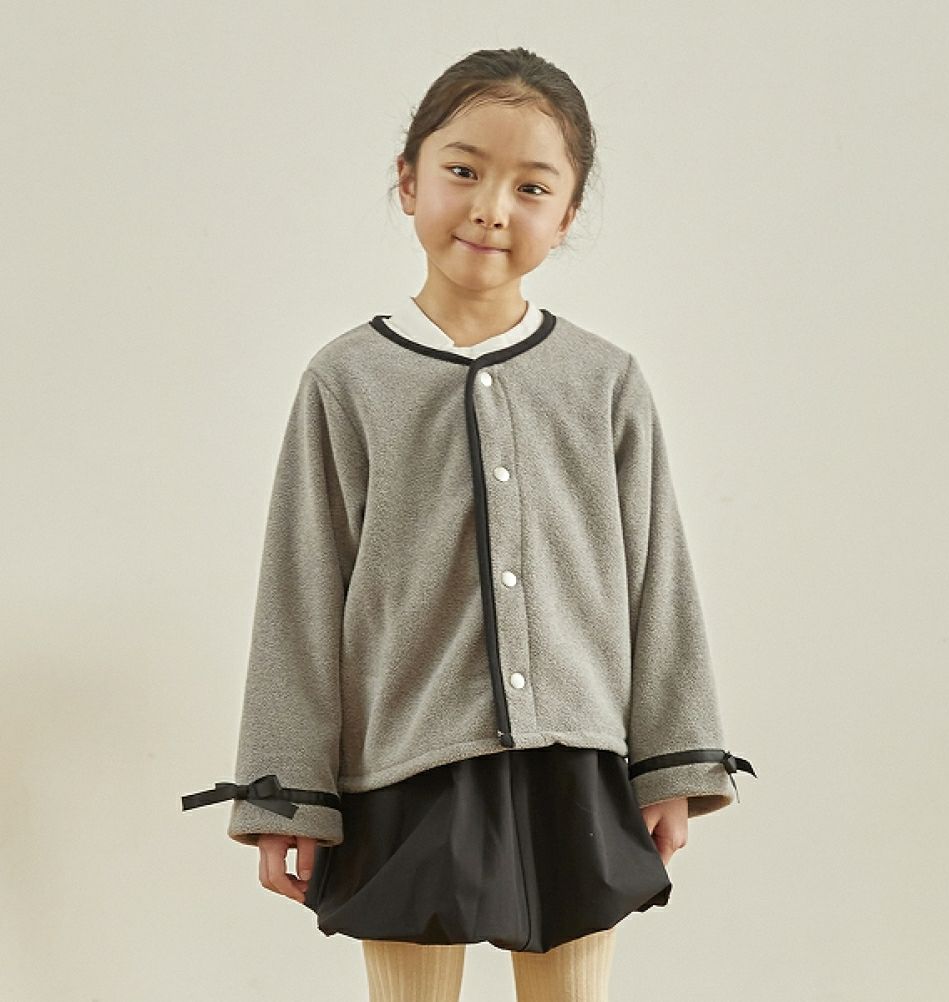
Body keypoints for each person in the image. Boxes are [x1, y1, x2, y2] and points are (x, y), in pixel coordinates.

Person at [180, 45, 757, 1002]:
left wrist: (672, 763)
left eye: (532, 187)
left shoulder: (605, 381)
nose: (492, 207)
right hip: (402, 764)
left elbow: (658, 581)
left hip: (576, 766)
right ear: (408, 181)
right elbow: (301, 591)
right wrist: (287, 793)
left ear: (567, 216)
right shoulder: (346, 381)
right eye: (463, 170)